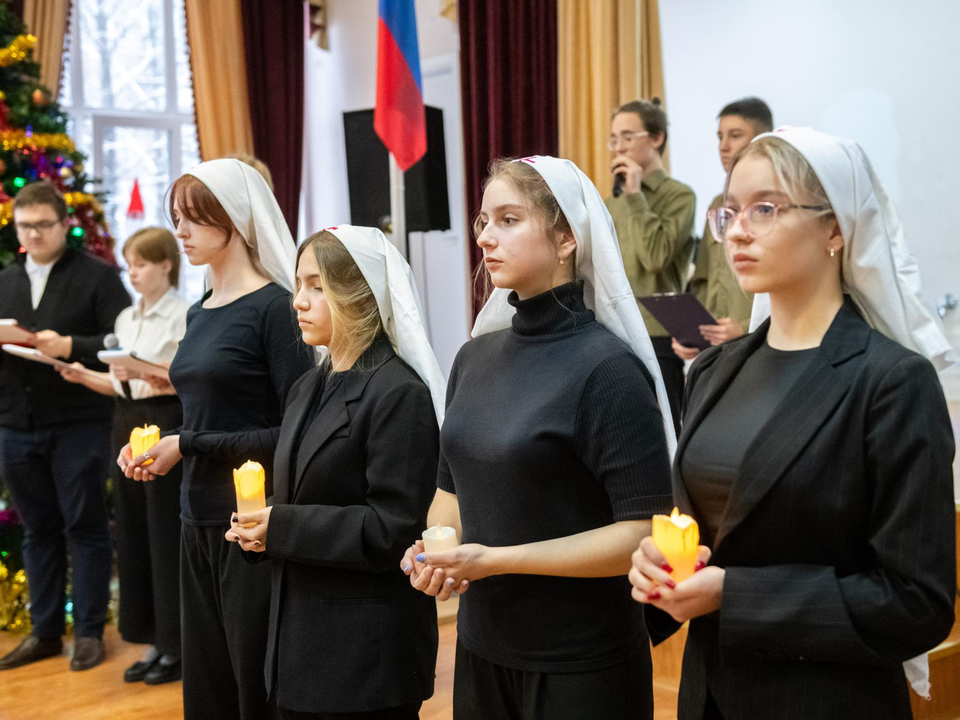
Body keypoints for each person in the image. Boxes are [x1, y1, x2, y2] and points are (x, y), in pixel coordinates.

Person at [629, 128, 956, 719]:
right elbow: (703, 531)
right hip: (709, 697)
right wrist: (661, 566)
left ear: (835, 228)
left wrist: (734, 594)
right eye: (729, 211)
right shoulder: (714, 371)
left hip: (829, 701)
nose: (737, 230)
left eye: (766, 209)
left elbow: (917, 604)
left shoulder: (890, 382)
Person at [404, 156, 675, 720]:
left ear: (566, 239)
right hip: (483, 650)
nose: (486, 238)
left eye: (508, 220)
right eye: (483, 222)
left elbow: (642, 533)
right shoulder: (474, 359)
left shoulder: (608, 370)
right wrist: (437, 551)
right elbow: (451, 492)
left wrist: (498, 559)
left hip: (583, 662)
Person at [201, 224, 443, 719]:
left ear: (361, 296)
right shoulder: (307, 388)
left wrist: (282, 527)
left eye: (317, 286)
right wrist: (259, 527)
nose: (299, 301)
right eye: (297, 285)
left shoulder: (399, 393)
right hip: (299, 643)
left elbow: (393, 529)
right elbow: (304, 497)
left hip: (365, 657)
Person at [119, 159, 314, 720]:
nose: (179, 232)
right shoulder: (202, 311)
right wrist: (162, 449)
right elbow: (204, 416)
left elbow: (295, 434)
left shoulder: (275, 308)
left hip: (251, 524)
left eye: (192, 219)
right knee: (207, 683)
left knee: (252, 681)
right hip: (194, 515)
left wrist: (189, 445)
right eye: (175, 218)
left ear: (234, 220)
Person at [0, 182, 130, 672]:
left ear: (64, 225)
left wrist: (70, 344)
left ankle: (91, 632)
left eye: (41, 225)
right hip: (16, 423)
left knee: (86, 526)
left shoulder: (97, 276)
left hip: (79, 421)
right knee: (38, 530)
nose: (32, 235)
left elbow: (122, 339)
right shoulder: (6, 279)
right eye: (23, 226)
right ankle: (46, 631)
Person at [58, 227, 189, 685]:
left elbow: (185, 379)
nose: (131, 273)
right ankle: (153, 638)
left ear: (166, 265)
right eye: (128, 264)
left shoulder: (184, 315)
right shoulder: (126, 319)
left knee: (166, 535)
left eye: (141, 264)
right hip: (127, 420)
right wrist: (82, 375)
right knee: (134, 536)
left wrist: (155, 374)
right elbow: (122, 382)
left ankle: (178, 644)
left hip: (166, 420)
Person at [605, 98, 696, 430]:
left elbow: (655, 257)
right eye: (614, 139)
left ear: (656, 138)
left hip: (658, 333)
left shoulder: (679, 196)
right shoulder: (611, 202)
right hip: (614, 330)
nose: (619, 147)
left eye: (628, 136)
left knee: (665, 432)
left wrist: (635, 196)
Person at [675, 97, 773, 362]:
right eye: (720, 137)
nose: (724, 146)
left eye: (735, 135)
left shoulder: (775, 205)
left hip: (762, 349)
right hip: (716, 354)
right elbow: (704, 278)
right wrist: (694, 332)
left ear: (762, 140)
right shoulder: (717, 205)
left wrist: (744, 327)